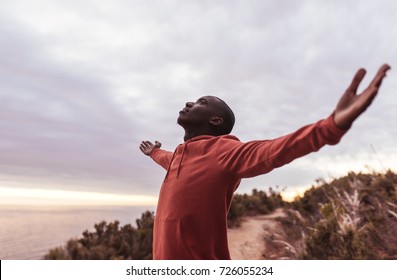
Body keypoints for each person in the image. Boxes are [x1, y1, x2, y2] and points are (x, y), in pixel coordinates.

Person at [139, 64, 390, 260]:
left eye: (201, 102)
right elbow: (169, 160)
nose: (189, 103)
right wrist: (153, 153)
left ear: (216, 121)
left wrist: (331, 125)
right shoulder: (180, 157)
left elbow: (275, 150)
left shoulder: (224, 152)